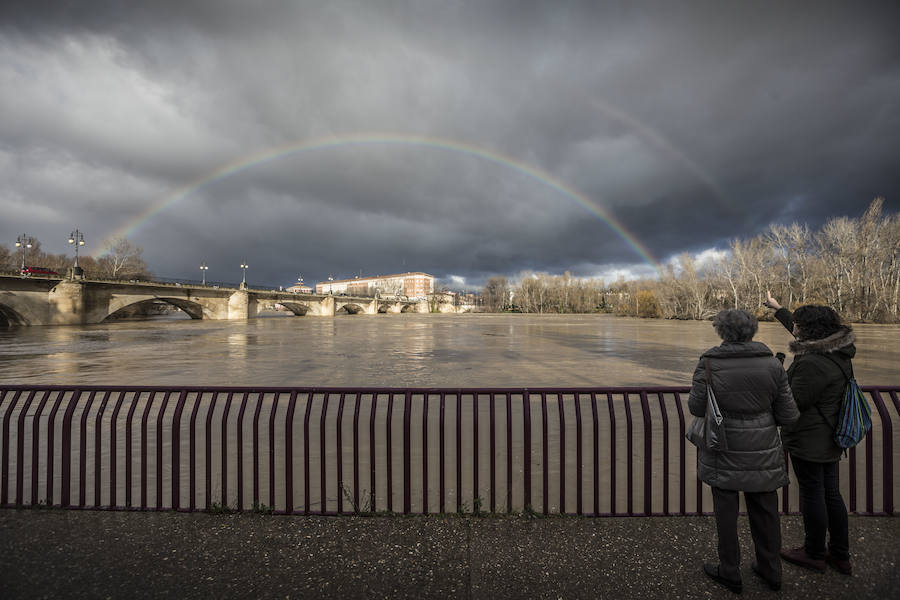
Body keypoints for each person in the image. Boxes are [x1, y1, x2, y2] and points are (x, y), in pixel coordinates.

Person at [689, 309, 799, 594]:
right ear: (753, 330)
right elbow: (788, 414)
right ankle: (771, 570)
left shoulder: (709, 363)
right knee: (765, 512)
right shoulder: (772, 365)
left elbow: (696, 408)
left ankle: (729, 571)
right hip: (762, 447)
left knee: (725, 513)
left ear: (722, 332)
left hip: (723, 446)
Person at [764, 291, 855, 576]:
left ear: (811, 331)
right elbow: (796, 325)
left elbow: (793, 402)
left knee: (814, 494)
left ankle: (814, 552)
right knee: (830, 493)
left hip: (810, 436)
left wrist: (774, 385)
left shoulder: (812, 362)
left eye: (800, 326)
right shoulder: (835, 350)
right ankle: (840, 554)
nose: (795, 329)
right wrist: (779, 309)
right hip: (829, 432)